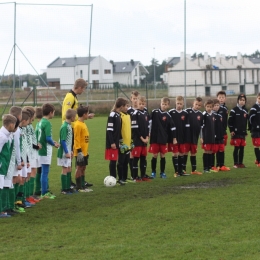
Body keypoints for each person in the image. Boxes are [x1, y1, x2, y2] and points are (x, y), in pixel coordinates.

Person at [62, 78, 94, 188]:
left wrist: (82, 118)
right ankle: (70, 181)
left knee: (74, 156)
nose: (83, 91)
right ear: (79, 87)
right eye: (83, 88)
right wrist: (75, 122)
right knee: (72, 156)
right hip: (69, 130)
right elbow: (67, 114)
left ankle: (77, 180)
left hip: (73, 127)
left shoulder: (74, 97)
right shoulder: (70, 97)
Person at [148, 97, 177, 178]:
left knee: (162, 155)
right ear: (160, 104)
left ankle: (162, 172)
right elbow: (149, 122)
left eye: (165, 104)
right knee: (154, 155)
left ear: (168, 105)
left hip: (163, 139)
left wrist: (174, 138)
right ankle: (153, 172)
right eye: (162, 104)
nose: (164, 106)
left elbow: (173, 127)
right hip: (154, 138)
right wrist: (148, 132)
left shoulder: (168, 115)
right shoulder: (154, 112)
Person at [38, 103, 60, 199]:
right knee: (45, 171)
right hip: (45, 150)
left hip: (40, 150)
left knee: (43, 171)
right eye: (53, 112)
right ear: (50, 112)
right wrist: (54, 143)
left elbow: (39, 136)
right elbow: (47, 138)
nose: (53, 114)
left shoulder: (40, 122)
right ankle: (44, 192)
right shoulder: (47, 123)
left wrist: (51, 141)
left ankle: (43, 190)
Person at [105, 97, 128, 186]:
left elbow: (119, 131)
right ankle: (113, 179)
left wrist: (121, 142)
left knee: (120, 160)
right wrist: (112, 143)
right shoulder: (112, 115)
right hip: (112, 143)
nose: (127, 108)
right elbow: (109, 130)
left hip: (118, 143)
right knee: (113, 161)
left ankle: (120, 178)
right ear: (121, 106)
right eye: (126, 106)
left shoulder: (119, 115)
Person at [0, 114, 17, 218]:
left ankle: (3, 209)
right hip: (1, 166)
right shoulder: (1, 136)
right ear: (11, 124)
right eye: (14, 124)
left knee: (3, 187)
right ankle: (1, 211)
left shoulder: (6, 135)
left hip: (5, 166)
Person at [168, 96, 190, 177]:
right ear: (175, 103)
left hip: (182, 137)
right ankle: (176, 171)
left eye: (180, 104)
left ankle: (181, 171)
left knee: (182, 153)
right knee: (175, 153)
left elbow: (187, 126)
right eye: (178, 103)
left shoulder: (185, 114)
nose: (179, 105)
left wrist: (186, 137)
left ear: (183, 104)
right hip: (173, 137)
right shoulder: (171, 112)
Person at [131, 96, 151, 181]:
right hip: (137, 140)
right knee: (136, 158)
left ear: (145, 104)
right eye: (140, 104)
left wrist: (147, 137)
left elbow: (148, 126)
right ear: (137, 103)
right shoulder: (135, 113)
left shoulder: (146, 113)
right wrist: (142, 138)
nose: (141, 105)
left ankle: (143, 175)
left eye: (143, 104)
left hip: (145, 140)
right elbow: (135, 128)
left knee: (143, 157)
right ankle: (135, 176)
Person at [73, 105, 93, 192]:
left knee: (83, 167)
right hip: (79, 151)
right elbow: (76, 139)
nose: (88, 115)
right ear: (84, 114)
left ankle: (83, 185)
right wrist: (79, 151)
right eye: (87, 113)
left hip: (84, 151)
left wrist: (85, 151)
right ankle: (78, 186)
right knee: (79, 167)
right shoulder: (77, 125)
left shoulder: (83, 123)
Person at [57, 109, 77, 194]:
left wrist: (71, 150)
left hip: (68, 151)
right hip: (63, 152)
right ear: (72, 117)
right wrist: (66, 152)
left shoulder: (69, 125)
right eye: (75, 116)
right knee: (65, 169)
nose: (75, 118)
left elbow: (69, 141)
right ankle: (64, 189)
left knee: (69, 168)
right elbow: (63, 141)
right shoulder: (64, 126)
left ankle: (68, 187)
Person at [228, 94, 248, 168]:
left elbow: (245, 122)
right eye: (240, 100)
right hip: (235, 133)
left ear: (245, 101)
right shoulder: (234, 110)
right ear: (238, 100)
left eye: (243, 100)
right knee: (236, 148)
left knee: (242, 148)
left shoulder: (245, 110)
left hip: (242, 133)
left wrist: (245, 131)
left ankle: (241, 163)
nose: (242, 102)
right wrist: (231, 130)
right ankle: (235, 163)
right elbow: (230, 122)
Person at [185, 97, 203, 175]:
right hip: (186, 137)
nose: (197, 106)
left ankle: (193, 170)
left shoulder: (200, 114)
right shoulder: (187, 111)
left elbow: (201, 127)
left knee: (193, 153)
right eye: (196, 104)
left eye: (199, 105)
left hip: (195, 137)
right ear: (193, 103)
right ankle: (183, 169)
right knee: (185, 152)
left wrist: (201, 137)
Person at [127, 90, 140, 179]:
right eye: (134, 98)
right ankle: (133, 175)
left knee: (140, 155)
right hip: (131, 136)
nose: (135, 100)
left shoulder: (143, 110)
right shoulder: (128, 111)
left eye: (137, 98)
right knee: (131, 154)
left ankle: (139, 174)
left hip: (141, 137)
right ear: (131, 99)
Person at [216, 90, 230, 170]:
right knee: (217, 148)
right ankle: (218, 165)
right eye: (219, 97)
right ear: (217, 98)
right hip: (217, 132)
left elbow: (225, 120)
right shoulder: (216, 108)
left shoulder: (225, 108)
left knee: (222, 148)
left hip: (223, 132)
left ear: (225, 99)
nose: (221, 99)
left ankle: (222, 165)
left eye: (223, 97)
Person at [201, 99, 215, 173]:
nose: (209, 108)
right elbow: (201, 126)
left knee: (210, 151)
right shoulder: (204, 115)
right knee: (206, 151)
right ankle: (205, 168)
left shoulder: (213, 114)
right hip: (206, 137)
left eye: (210, 107)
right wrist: (202, 137)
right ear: (205, 107)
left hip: (211, 137)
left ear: (212, 107)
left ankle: (209, 167)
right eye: (207, 106)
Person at [211, 99, 225, 172]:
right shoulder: (211, 115)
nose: (216, 107)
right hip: (214, 137)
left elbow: (221, 126)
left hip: (220, 136)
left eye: (217, 105)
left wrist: (222, 134)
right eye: (215, 105)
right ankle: (212, 166)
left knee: (221, 150)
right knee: (214, 151)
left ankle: (221, 165)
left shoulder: (219, 115)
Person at [248, 93, 260, 166]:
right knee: (257, 145)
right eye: (259, 98)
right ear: (257, 98)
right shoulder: (254, 108)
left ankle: (257, 159)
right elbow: (250, 119)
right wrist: (252, 128)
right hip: (256, 130)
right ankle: (258, 161)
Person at [34, 107, 43, 196]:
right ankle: (38, 189)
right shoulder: (41, 124)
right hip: (39, 150)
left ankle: (38, 188)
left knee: (39, 170)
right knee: (40, 170)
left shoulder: (37, 124)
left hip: (36, 149)